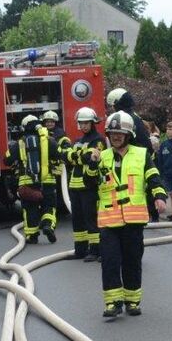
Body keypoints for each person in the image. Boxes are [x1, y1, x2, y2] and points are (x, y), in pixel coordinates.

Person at [85, 111, 167, 318]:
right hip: (108, 220)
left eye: (120, 133)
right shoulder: (101, 157)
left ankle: (132, 301)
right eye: (113, 133)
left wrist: (159, 197)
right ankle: (113, 303)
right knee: (110, 262)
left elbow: (153, 177)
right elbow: (89, 183)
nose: (116, 136)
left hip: (134, 219)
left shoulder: (141, 155)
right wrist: (92, 164)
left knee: (132, 261)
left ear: (128, 135)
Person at [4, 114, 60, 244]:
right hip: (48, 181)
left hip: (27, 182)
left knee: (29, 208)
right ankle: (48, 225)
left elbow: (6, 160)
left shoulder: (19, 143)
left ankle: (32, 235)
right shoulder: (50, 141)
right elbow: (59, 155)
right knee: (50, 206)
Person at [62, 107, 106, 261]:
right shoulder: (78, 141)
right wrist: (78, 155)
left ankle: (95, 250)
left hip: (90, 185)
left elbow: (92, 157)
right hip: (74, 185)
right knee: (77, 219)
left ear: (93, 122)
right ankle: (80, 249)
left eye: (86, 123)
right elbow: (66, 157)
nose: (83, 126)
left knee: (91, 218)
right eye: (81, 123)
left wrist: (75, 155)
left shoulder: (98, 140)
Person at [106, 88, 153, 153]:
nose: (112, 108)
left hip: (133, 157)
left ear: (117, 104)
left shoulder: (125, 119)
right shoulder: (134, 116)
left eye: (113, 105)